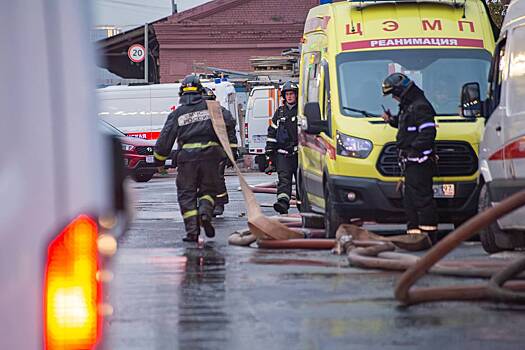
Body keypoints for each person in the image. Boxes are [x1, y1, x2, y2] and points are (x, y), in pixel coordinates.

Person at [153, 74, 236, 242]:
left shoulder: (177, 114)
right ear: (200, 91)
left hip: (187, 160)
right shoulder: (212, 107)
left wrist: (159, 161)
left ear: (182, 93)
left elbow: (165, 140)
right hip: (211, 157)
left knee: (187, 194)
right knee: (208, 190)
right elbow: (230, 121)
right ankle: (205, 213)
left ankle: (192, 232)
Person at [381, 72, 438, 239]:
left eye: (394, 94)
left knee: (422, 200)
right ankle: (414, 234)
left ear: (400, 92)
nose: (393, 99)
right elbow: (406, 124)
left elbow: (428, 133)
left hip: (420, 163)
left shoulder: (420, 106)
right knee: (410, 200)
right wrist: (391, 120)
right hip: (411, 163)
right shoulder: (410, 106)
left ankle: (428, 235)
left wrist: (413, 149)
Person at [201, 87, 239, 216]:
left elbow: (231, 134)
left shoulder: (222, 113)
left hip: (217, 153)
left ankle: (219, 203)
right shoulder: (196, 115)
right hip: (200, 154)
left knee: (217, 178)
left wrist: (232, 152)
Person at [265, 81, 299, 215]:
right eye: (287, 94)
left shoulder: (302, 111)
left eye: (292, 94)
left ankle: (304, 206)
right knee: (284, 180)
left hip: (299, 154)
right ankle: (283, 204)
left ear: (296, 95)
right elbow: (271, 133)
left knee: (301, 181)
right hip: (283, 154)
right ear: (284, 96)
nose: (289, 97)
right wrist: (269, 152)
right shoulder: (279, 113)